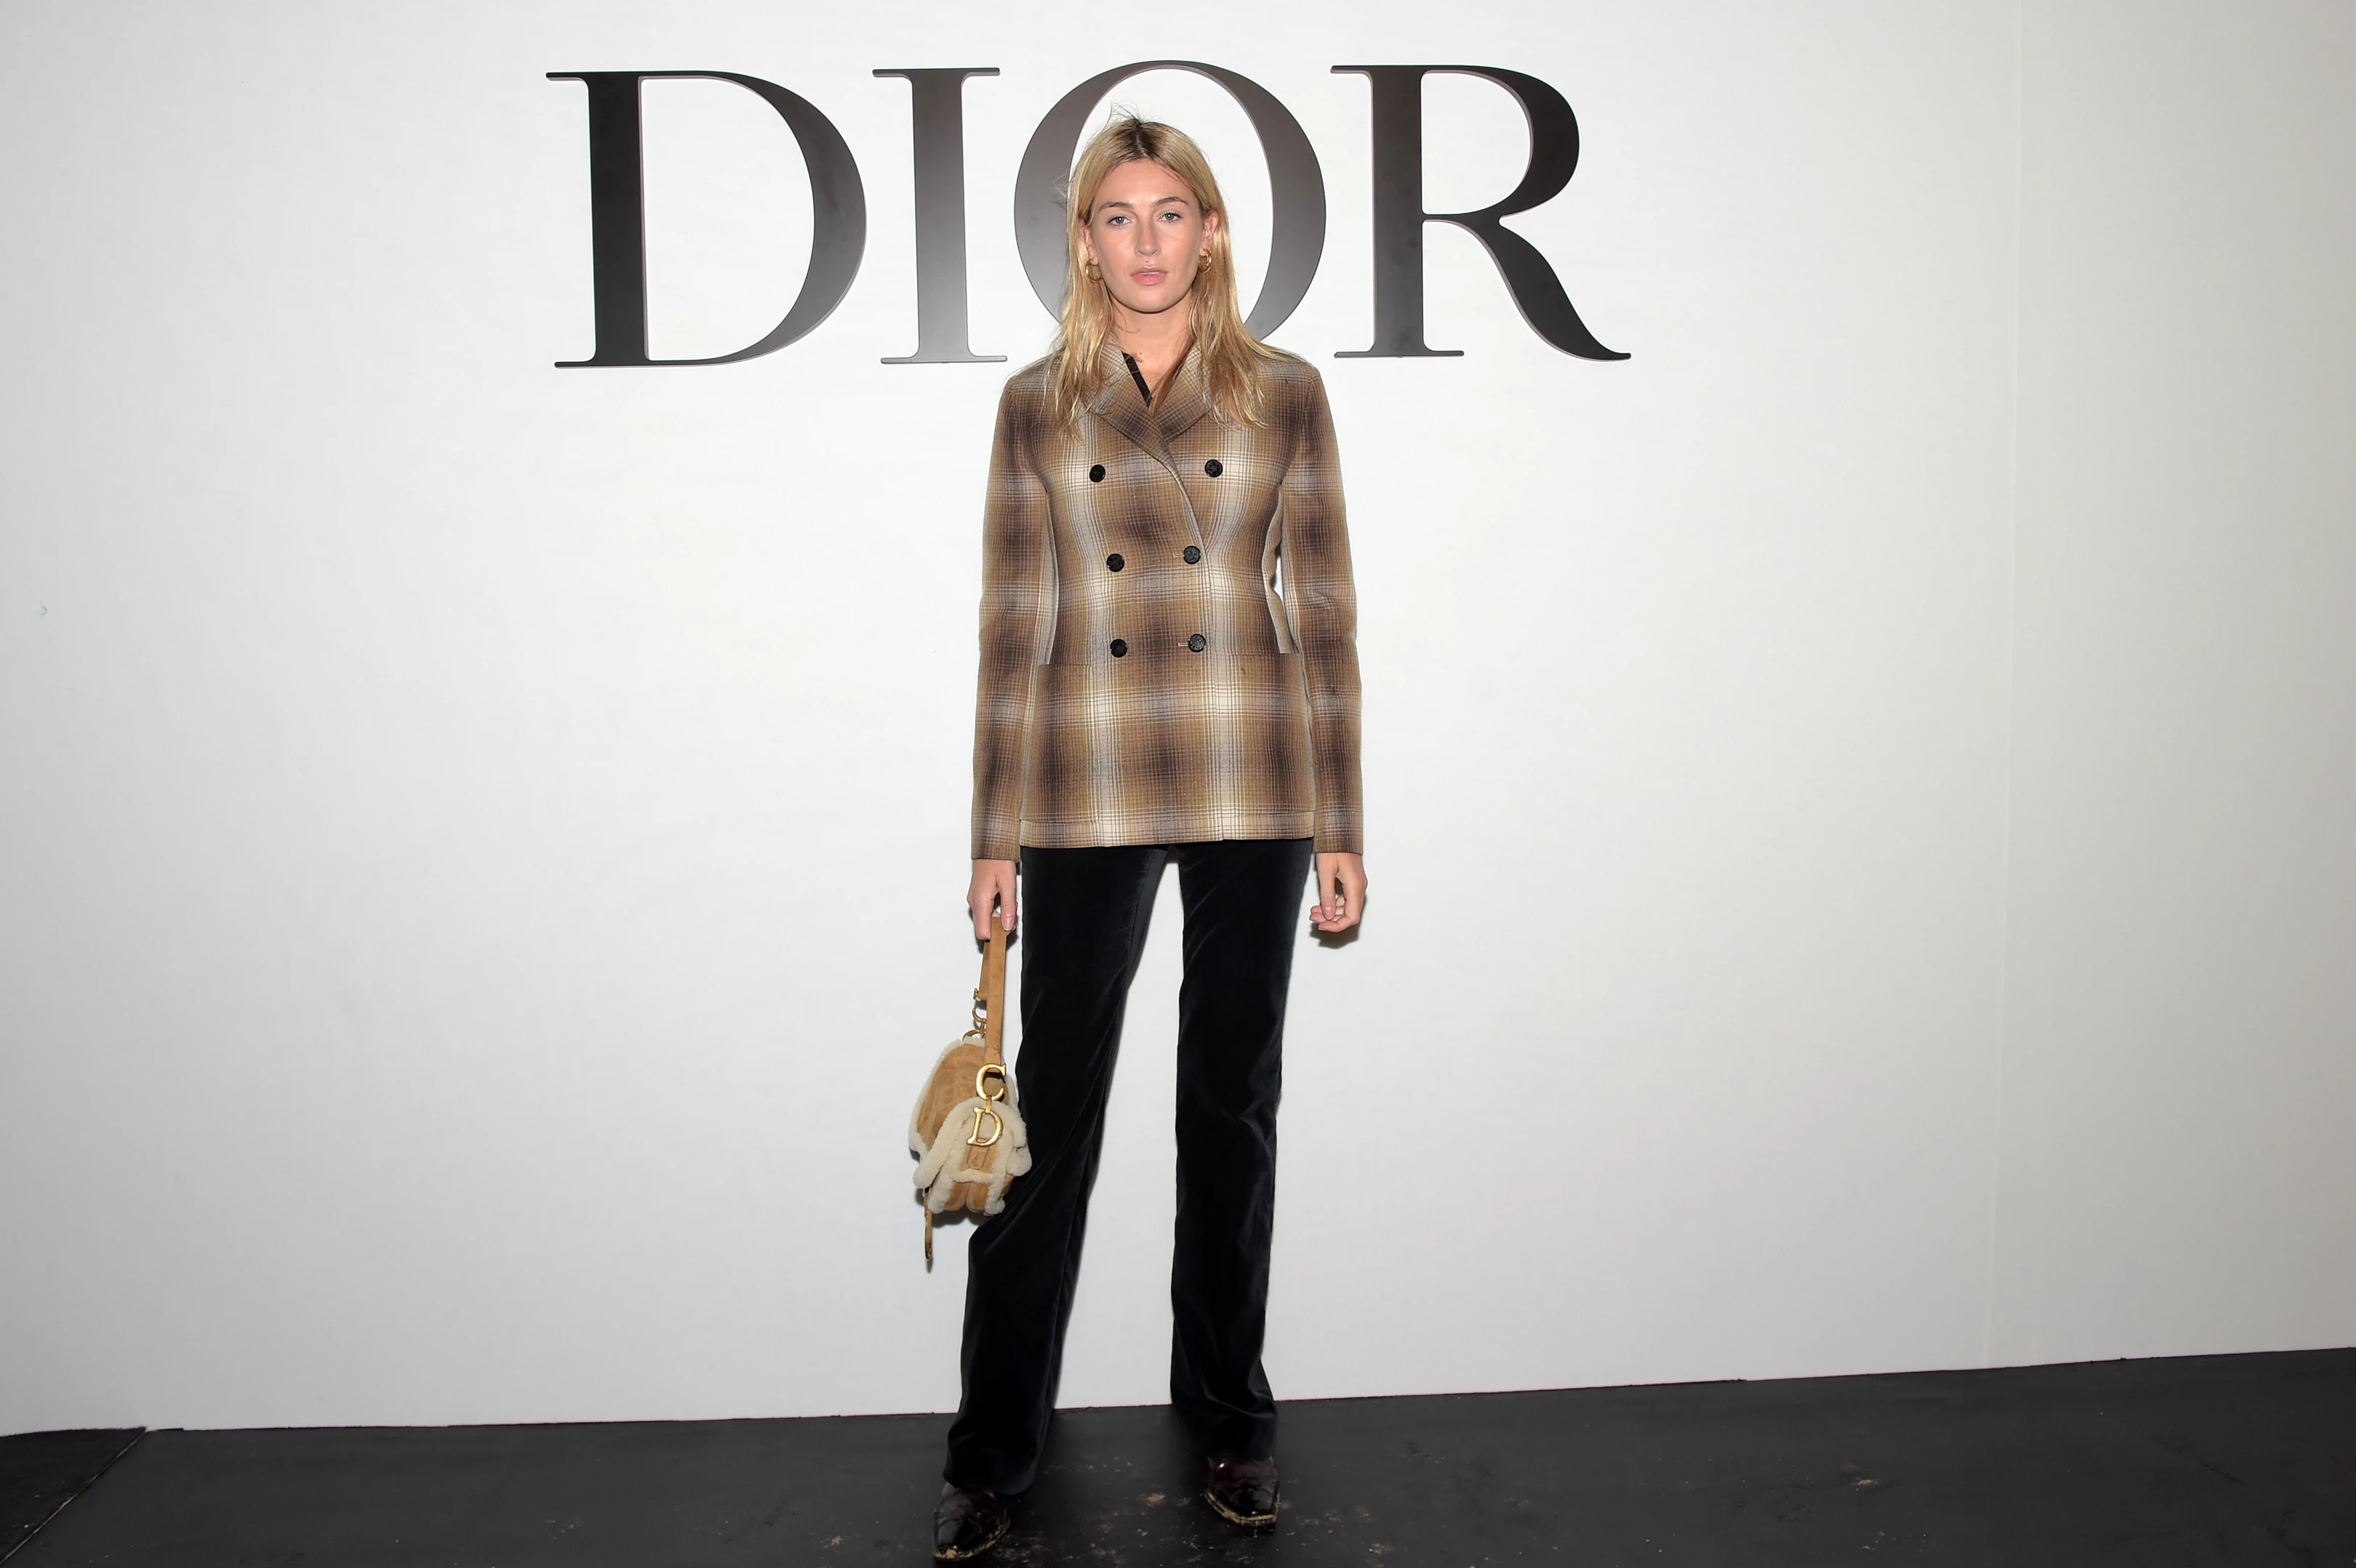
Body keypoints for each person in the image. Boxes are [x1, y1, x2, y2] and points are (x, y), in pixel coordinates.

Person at [934, 115, 1366, 1560]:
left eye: (1168, 212)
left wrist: (1340, 817)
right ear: (1085, 241)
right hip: (1087, 773)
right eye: (1116, 216)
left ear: (1210, 230)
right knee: (1048, 1121)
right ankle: (991, 1453)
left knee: (1229, 1108)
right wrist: (992, 833)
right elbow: (1012, 627)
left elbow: (1322, 615)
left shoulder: (1285, 393)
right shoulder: (1035, 405)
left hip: (1251, 768)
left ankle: (1230, 1423)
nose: (1144, 241)